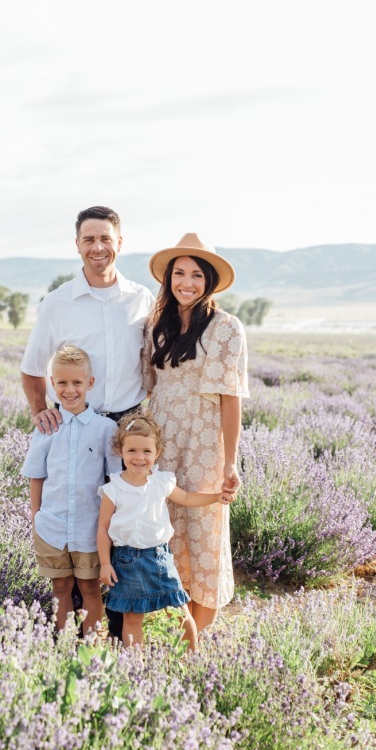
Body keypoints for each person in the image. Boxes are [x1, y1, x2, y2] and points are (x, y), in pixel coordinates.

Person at [22, 207, 153, 640]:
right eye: (89, 239)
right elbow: (31, 366)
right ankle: (78, 634)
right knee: (82, 523)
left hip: (129, 428)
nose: (98, 248)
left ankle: (121, 633)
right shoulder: (58, 302)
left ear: (120, 242)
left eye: (105, 238)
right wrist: (41, 409)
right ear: (77, 245)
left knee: (125, 529)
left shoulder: (141, 299)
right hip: (80, 425)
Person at [142, 234, 248, 636]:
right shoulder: (156, 326)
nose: (187, 282)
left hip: (205, 445)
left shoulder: (226, 328)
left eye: (197, 275)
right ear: (168, 278)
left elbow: (231, 398)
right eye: (179, 273)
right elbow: (149, 386)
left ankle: (198, 642)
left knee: (205, 534)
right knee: (167, 533)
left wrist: (229, 459)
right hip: (163, 443)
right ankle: (179, 633)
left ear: (210, 281)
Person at [97, 412, 230, 649]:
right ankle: (134, 665)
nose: (139, 457)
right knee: (131, 617)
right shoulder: (113, 488)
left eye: (147, 451)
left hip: (159, 558)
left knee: (178, 611)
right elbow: (103, 529)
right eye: (132, 451)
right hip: (126, 560)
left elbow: (187, 497)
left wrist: (216, 497)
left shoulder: (161, 481)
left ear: (157, 452)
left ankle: (192, 657)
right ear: (121, 451)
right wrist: (105, 563)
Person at [22, 343, 117, 634]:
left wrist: (110, 524)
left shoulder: (105, 429)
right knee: (60, 585)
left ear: (90, 383)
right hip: (52, 524)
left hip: (91, 527)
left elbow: (114, 481)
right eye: (62, 382)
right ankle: (63, 646)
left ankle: (91, 648)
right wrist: (36, 516)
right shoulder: (47, 427)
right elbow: (36, 475)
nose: (70, 389)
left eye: (77, 382)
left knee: (90, 586)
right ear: (52, 384)